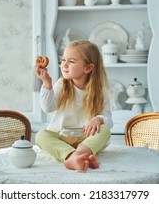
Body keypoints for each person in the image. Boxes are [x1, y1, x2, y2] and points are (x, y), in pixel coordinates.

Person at [35, 40, 113, 172]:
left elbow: (108, 119)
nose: (64, 65)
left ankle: (77, 155)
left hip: (87, 138)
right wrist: (47, 84)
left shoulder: (100, 91)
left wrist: (98, 119)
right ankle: (77, 157)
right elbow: (48, 108)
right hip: (64, 136)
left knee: (105, 130)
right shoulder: (62, 84)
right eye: (63, 60)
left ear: (88, 68)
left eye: (71, 61)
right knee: (41, 135)